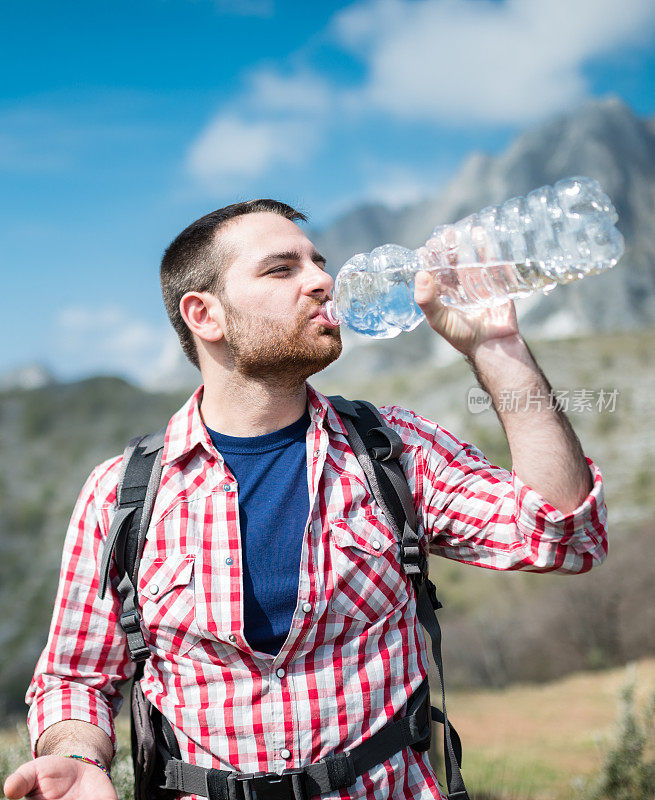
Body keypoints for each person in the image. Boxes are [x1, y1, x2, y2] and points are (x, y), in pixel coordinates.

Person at [4, 199, 607, 800]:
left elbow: (563, 533)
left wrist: (498, 350)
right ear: (205, 314)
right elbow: (75, 675)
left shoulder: (391, 448)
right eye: (281, 269)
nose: (323, 279)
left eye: (319, 262)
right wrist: (80, 757)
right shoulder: (121, 493)